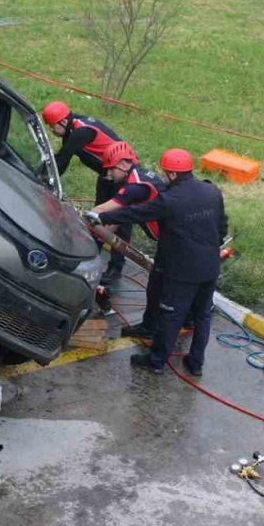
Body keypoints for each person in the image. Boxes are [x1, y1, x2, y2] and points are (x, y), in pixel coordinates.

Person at [87, 148, 227, 377]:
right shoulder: (211, 191)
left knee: (171, 315)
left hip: (181, 270)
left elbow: (135, 213)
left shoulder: (170, 200)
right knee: (202, 316)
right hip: (210, 266)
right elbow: (222, 227)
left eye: (165, 173)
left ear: (172, 174)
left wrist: (101, 217)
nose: (163, 177)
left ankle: (156, 361)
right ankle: (196, 363)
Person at [41, 100, 134, 286]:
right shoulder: (72, 131)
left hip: (124, 178)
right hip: (106, 175)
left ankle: (116, 268)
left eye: (52, 126)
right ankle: (91, 255)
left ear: (63, 122)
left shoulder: (81, 132)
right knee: (97, 218)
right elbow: (62, 163)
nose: (51, 130)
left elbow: (61, 159)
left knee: (120, 223)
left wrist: (40, 178)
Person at [86, 141, 165, 318]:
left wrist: (79, 222)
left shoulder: (135, 187)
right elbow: (116, 219)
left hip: (176, 236)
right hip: (169, 234)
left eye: (111, 169)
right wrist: (98, 237)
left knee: (169, 282)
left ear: (122, 164)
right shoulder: (138, 177)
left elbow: (101, 210)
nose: (109, 174)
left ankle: (189, 314)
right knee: (162, 281)